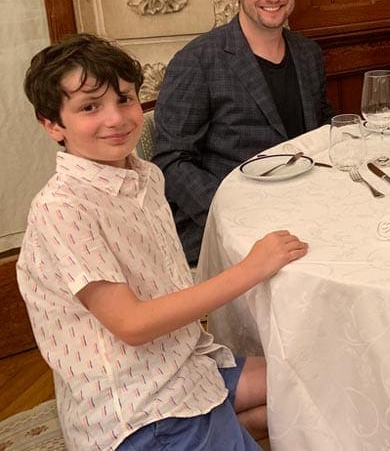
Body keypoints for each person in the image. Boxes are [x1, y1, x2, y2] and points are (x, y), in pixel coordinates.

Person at [17, 33, 309, 451]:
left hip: (186, 364)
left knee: (315, 388)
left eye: (124, 99)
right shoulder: (61, 208)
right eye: (89, 108)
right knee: (300, 412)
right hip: (139, 407)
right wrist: (251, 268)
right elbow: (133, 325)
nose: (116, 119)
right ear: (52, 125)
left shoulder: (147, 176)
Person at [153, 0, 334, 263]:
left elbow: (323, 131)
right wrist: (231, 214)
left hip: (306, 208)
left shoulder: (307, 53)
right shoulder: (198, 60)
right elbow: (171, 160)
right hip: (232, 226)